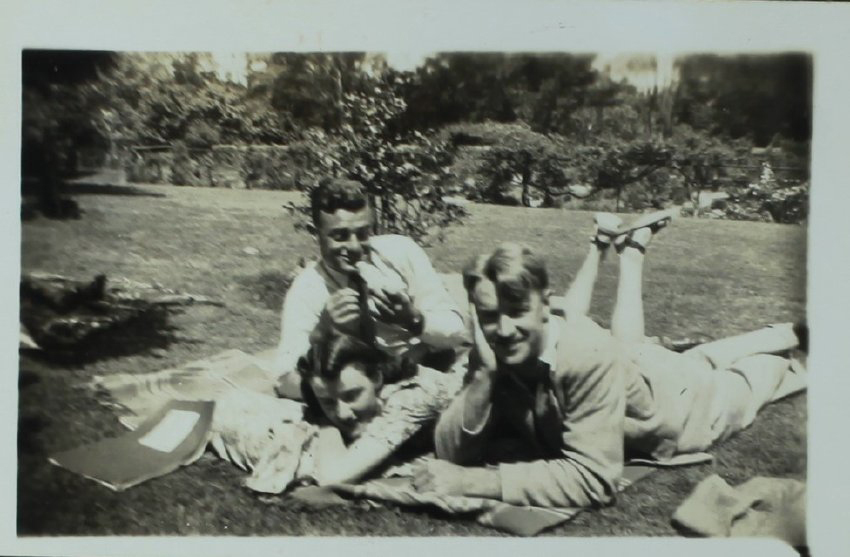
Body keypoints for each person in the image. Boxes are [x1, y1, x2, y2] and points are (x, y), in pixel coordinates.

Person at [413, 212, 806, 508]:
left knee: (763, 375)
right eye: (488, 317)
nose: (503, 329)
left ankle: (797, 339)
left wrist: (471, 483)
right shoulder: (493, 350)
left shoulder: (581, 354)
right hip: (637, 364)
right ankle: (780, 331)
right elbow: (451, 453)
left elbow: (593, 478)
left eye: (516, 310)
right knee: (701, 356)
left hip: (687, 410)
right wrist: (482, 377)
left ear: (545, 306)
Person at [270, 177, 469, 399]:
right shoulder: (307, 289)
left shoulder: (401, 252)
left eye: (363, 234)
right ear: (315, 232)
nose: (355, 247)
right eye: (340, 236)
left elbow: (457, 332)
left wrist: (413, 320)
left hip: (432, 367)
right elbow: (284, 380)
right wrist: (323, 332)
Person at [296, 325, 462, 486]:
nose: (342, 413)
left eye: (352, 396)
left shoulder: (409, 397)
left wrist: (325, 423)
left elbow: (332, 477)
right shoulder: (377, 389)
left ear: (377, 378)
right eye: (328, 402)